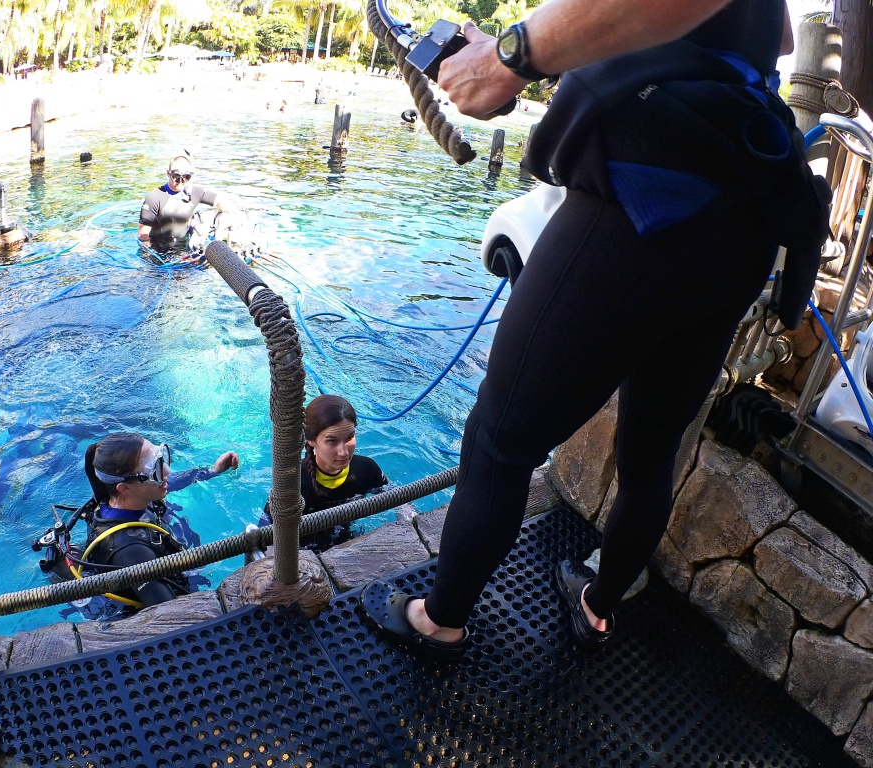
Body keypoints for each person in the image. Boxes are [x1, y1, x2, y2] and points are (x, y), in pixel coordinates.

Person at [361, 0, 830, 660]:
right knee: (651, 449)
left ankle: (438, 622)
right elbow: (774, 33)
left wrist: (509, 55)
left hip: (645, 197)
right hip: (742, 215)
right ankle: (598, 604)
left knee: (499, 439)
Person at [83, 432, 239, 607]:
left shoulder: (128, 497)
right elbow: (171, 614)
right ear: (125, 487)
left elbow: (171, 481)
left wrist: (213, 471)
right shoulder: (131, 552)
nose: (167, 471)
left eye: (160, 458)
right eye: (154, 469)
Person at [260, 394, 389, 552]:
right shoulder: (292, 482)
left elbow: (399, 501)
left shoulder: (367, 469)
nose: (343, 452)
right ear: (311, 440)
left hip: (347, 541)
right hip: (303, 551)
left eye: (349, 437)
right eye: (332, 441)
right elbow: (267, 532)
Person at [138, 154, 241, 255]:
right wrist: (151, 256)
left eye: (185, 177)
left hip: (183, 248)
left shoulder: (195, 192)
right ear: (168, 174)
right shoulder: (154, 198)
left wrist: (227, 215)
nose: (180, 182)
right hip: (159, 249)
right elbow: (143, 235)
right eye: (176, 177)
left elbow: (220, 201)